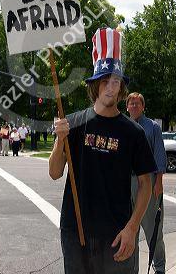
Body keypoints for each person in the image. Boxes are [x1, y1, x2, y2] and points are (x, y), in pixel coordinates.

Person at [49, 27, 157, 274]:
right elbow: (55, 173)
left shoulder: (134, 133)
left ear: (121, 88)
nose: (110, 87)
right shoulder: (74, 124)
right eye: (105, 81)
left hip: (117, 235)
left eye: (115, 81)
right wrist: (59, 141)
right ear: (96, 85)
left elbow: (146, 185)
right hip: (75, 232)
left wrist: (132, 228)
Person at [127, 92, 167, 274]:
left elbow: (159, 154)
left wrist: (158, 181)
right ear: (126, 107)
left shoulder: (152, 127)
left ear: (143, 107)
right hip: (126, 183)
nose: (134, 106)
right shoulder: (123, 126)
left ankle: (159, 268)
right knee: (130, 230)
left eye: (137, 104)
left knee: (154, 231)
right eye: (131, 103)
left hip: (148, 182)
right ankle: (132, 270)